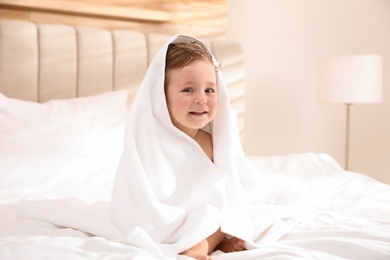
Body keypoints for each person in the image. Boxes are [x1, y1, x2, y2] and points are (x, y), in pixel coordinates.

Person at [110, 35, 292, 259]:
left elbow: (231, 185)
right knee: (209, 214)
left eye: (209, 90)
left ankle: (204, 244)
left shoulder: (212, 143)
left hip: (205, 216)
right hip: (165, 214)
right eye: (188, 90)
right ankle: (200, 242)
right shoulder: (149, 142)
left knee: (220, 212)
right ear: (162, 96)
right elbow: (140, 191)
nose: (201, 99)